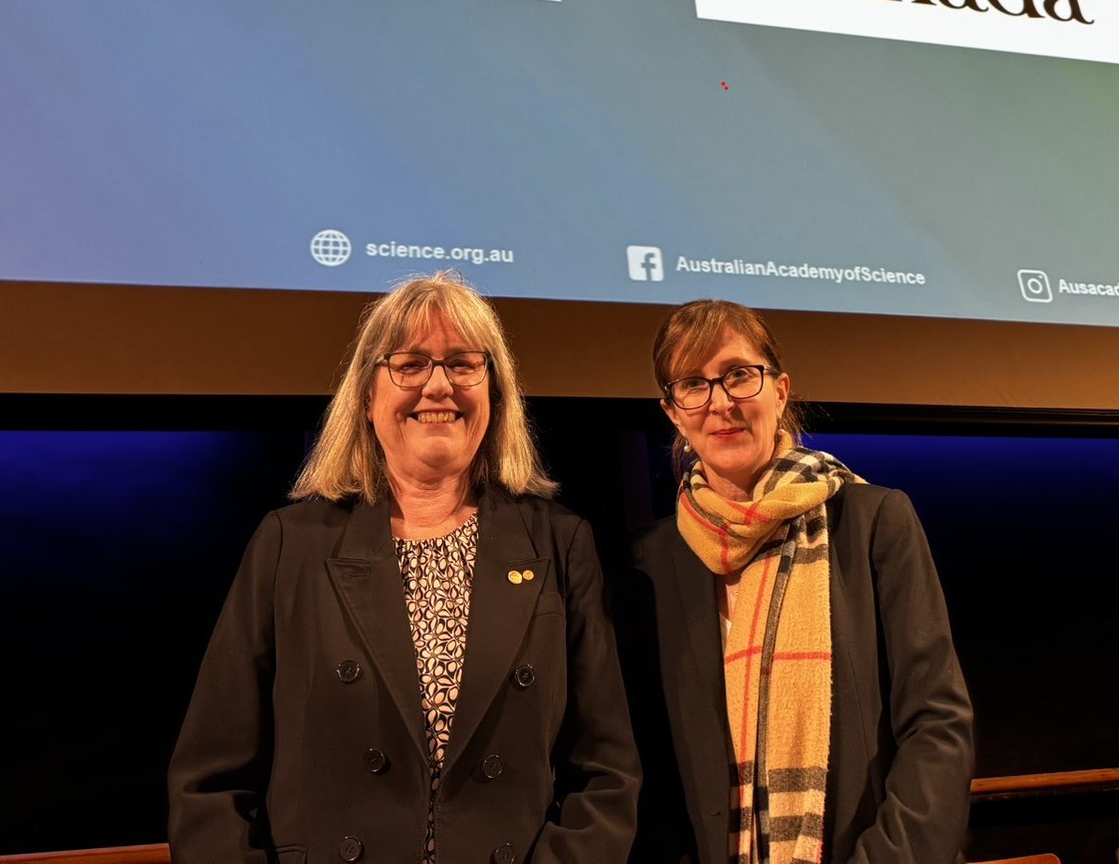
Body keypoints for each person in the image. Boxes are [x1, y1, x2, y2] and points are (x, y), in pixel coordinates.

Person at [169, 272, 640, 864]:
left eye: (463, 364)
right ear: (367, 398)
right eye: (410, 364)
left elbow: (606, 774)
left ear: (495, 395)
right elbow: (209, 785)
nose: (439, 386)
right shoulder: (290, 545)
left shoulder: (560, 543)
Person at [627, 299, 973, 864]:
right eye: (693, 384)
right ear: (673, 413)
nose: (721, 403)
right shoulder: (650, 561)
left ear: (780, 391)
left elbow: (937, 725)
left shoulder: (873, 521)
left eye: (739, 375)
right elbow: (646, 765)